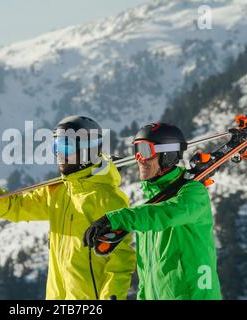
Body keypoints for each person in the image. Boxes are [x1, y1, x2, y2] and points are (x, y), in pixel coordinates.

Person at [0, 115, 136, 300]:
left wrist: (111, 297)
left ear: (87, 151)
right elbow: (18, 205)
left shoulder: (108, 200)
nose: (58, 153)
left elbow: (120, 261)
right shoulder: (59, 191)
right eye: (55, 146)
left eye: (64, 146)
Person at [84, 123, 222, 300]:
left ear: (168, 155)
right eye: (137, 150)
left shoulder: (193, 193)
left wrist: (115, 219)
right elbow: (146, 275)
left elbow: (166, 214)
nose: (140, 158)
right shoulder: (148, 209)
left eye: (146, 151)